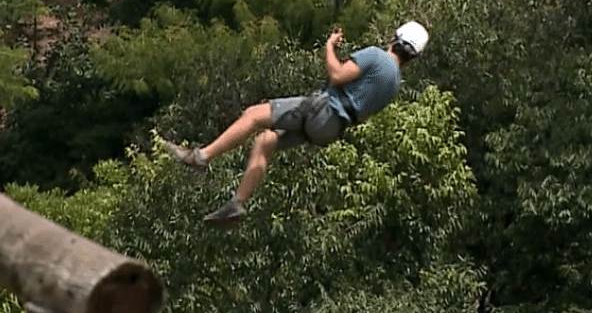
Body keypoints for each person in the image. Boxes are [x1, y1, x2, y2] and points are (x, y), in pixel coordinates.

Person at [165, 21, 429, 226]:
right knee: (265, 140)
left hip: (324, 109)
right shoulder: (394, 85)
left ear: (395, 38)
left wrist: (329, 46)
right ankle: (238, 202)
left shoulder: (376, 56)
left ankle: (200, 157)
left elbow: (337, 75)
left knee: (254, 115)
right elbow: (364, 116)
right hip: (331, 130)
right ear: (413, 57)